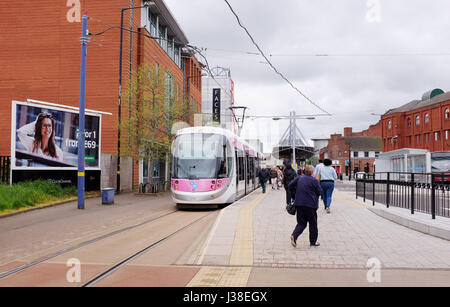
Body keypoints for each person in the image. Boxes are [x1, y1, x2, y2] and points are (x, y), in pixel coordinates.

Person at [288, 165, 322, 247]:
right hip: (310, 205)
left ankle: (294, 236)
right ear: (312, 172)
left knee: (301, 223)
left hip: (299, 204)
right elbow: (320, 192)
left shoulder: (299, 178)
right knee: (313, 224)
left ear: (304, 171)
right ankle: (313, 242)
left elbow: (290, 185)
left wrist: (294, 195)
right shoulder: (314, 180)